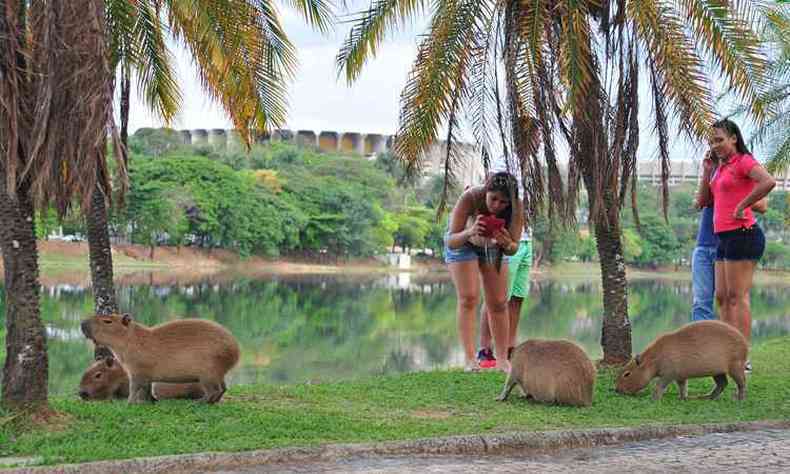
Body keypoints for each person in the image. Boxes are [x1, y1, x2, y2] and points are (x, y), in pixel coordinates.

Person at [696, 119, 776, 371]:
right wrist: (708, 170)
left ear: (733, 138)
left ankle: (742, 358)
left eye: (719, 139)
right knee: (721, 297)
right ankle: (728, 353)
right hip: (724, 237)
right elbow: (704, 200)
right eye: (712, 141)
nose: (715, 145)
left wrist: (742, 205)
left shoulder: (744, 161)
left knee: (737, 297)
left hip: (744, 234)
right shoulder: (720, 167)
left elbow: (768, 182)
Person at [444, 172, 523, 373]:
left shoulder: (516, 208)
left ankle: (502, 360)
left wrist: (506, 243)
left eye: (503, 202)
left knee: (498, 302)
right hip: (463, 244)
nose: (497, 205)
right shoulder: (470, 197)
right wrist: (470, 232)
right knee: (469, 298)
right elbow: (451, 241)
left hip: (494, 247)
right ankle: (470, 360)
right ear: (486, 190)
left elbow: (513, 248)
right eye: (493, 198)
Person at [477, 223, 531, 368]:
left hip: (527, 241)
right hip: (506, 243)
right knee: (495, 297)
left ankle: (510, 349)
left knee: (517, 298)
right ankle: (485, 350)